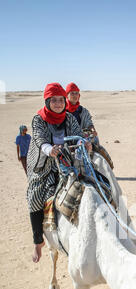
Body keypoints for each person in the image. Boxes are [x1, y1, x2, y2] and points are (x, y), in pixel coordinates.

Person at [26, 82, 91, 263]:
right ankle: (38, 241)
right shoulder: (39, 119)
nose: (57, 104)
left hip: (65, 160)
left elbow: (78, 134)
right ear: (47, 101)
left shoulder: (69, 118)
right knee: (35, 197)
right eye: (53, 100)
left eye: (60, 100)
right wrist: (49, 149)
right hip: (43, 164)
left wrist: (83, 142)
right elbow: (39, 139)